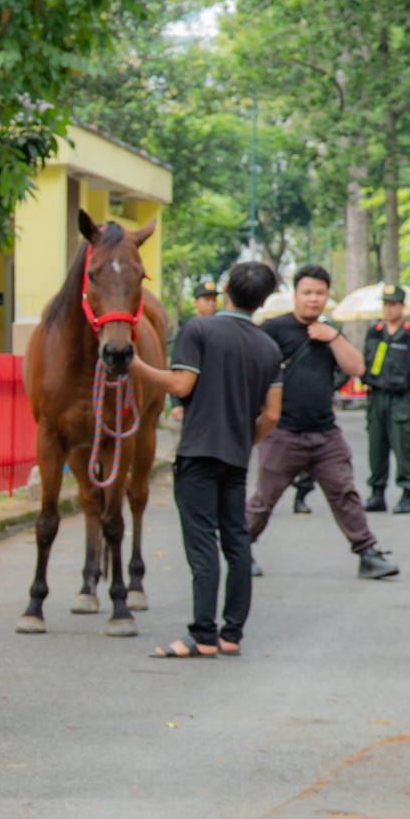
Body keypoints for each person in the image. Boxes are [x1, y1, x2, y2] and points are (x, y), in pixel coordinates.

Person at [125, 259, 283, 658]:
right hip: (235, 457)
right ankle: (231, 634)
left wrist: (139, 366)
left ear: (227, 288)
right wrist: (245, 440)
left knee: (202, 548)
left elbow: (182, 383)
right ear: (263, 300)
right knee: (236, 543)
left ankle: (202, 636)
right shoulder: (269, 346)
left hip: (197, 452)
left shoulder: (200, 329)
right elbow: (274, 414)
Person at [247, 265, 400, 579]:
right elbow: (252, 372)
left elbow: (357, 368)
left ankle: (368, 555)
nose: (313, 300)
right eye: (307, 293)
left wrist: (331, 336)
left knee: (345, 493)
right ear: (295, 295)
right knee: (264, 500)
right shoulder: (272, 329)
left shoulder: (330, 331)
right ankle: (240, 552)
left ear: (328, 296)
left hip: (325, 434)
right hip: (282, 432)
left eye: (320, 293)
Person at [361, 284, 410, 512]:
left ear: (402, 306)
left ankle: (407, 493)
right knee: (376, 445)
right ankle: (377, 493)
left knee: (404, 445)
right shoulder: (375, 331)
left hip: (401, 398)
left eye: (393, 305)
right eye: (385, 304)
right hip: (376, 396)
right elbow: (365, 362)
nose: (388, 309)